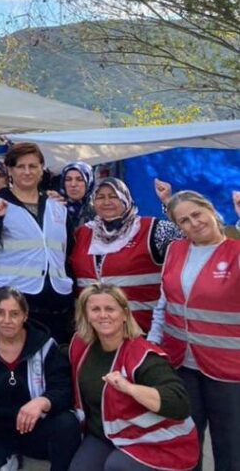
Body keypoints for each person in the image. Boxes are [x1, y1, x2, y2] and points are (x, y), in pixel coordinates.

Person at [149, 190, 239, 470]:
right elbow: (163, 304)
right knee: (186, 440)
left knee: (230, 444)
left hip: (228, 369)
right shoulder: (175, 250)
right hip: (181, 363)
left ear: (211, 210)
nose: (194, 223)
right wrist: (152, 344)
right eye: (184, 221)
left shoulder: (235, 251)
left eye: (197, 214)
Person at [69, 284, 198, 471]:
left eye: (110, 309)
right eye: (95, 309)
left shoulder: (143, 356)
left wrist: (130, 388)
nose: (103, 315)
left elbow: (180, 403)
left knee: (117, 466)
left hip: (155, 439)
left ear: (124, 314)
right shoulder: (80, 346)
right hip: (104, 435)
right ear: (86, 315)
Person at [0, 288, 80, 471]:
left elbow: (63, 390)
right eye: (0, 313)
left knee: (67, 423)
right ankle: (9, 460)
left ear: (25, 316)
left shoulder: (45, 345)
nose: (7, 320)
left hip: (35, 428)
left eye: (14, 314)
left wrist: (41, 402)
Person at [0, 142, 75, 344]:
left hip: (54, 304)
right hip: (11, 302)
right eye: (21, 166)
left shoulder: (58, 207)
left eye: (33, 166)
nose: (27, 172)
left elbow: (68, 251)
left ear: (42, 169)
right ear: (10, 170)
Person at [70, 178, 182, 334]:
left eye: (113, 196)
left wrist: (169, 203)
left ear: (125, 198)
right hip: (92, 333)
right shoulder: (81, 234)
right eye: (100, 197)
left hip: (141, 333)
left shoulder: (151, 229)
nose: (106, 202)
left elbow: (189, 233)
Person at [60, 162, 96, 230]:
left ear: (89, 183)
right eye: (68, 179)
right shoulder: (54, 209)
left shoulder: (98, 211)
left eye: (80, 179)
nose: (73, 184)